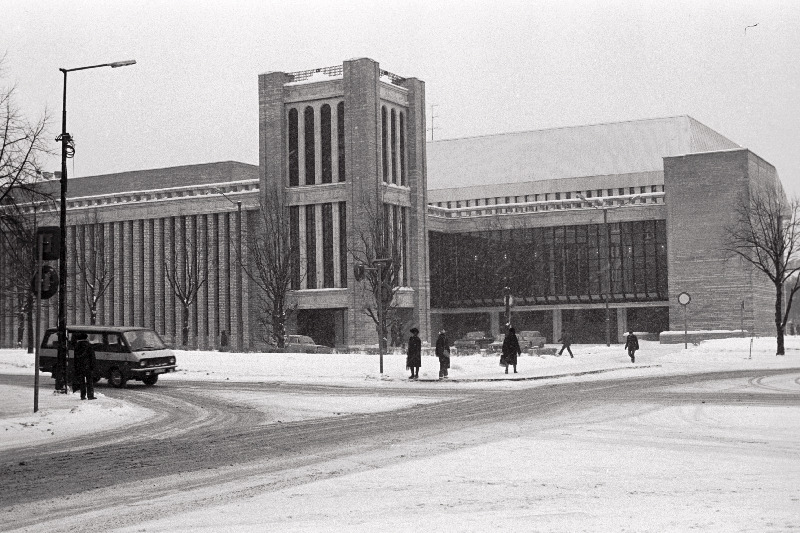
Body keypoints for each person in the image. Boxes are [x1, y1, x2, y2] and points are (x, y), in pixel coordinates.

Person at [72, 332, 97, 400]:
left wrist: (76, 366)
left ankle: (82, 395)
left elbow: (75, 358)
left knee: (81, 381)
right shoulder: (88, 346)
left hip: (80, 366)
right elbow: (92, 357)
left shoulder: (77, 346)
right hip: (87, 366)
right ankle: (90, 395)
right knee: (89, 381)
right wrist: (93, 366)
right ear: (86, 338)